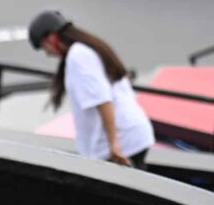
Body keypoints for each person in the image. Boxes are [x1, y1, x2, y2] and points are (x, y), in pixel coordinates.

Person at [28, 11, 154, 169]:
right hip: (131, 136)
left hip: (122, 141)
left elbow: (103, 100)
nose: (47, 53)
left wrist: (114, 145)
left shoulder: (78, 56)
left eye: (43, 46)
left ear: (52, 38)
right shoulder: (86, 49)